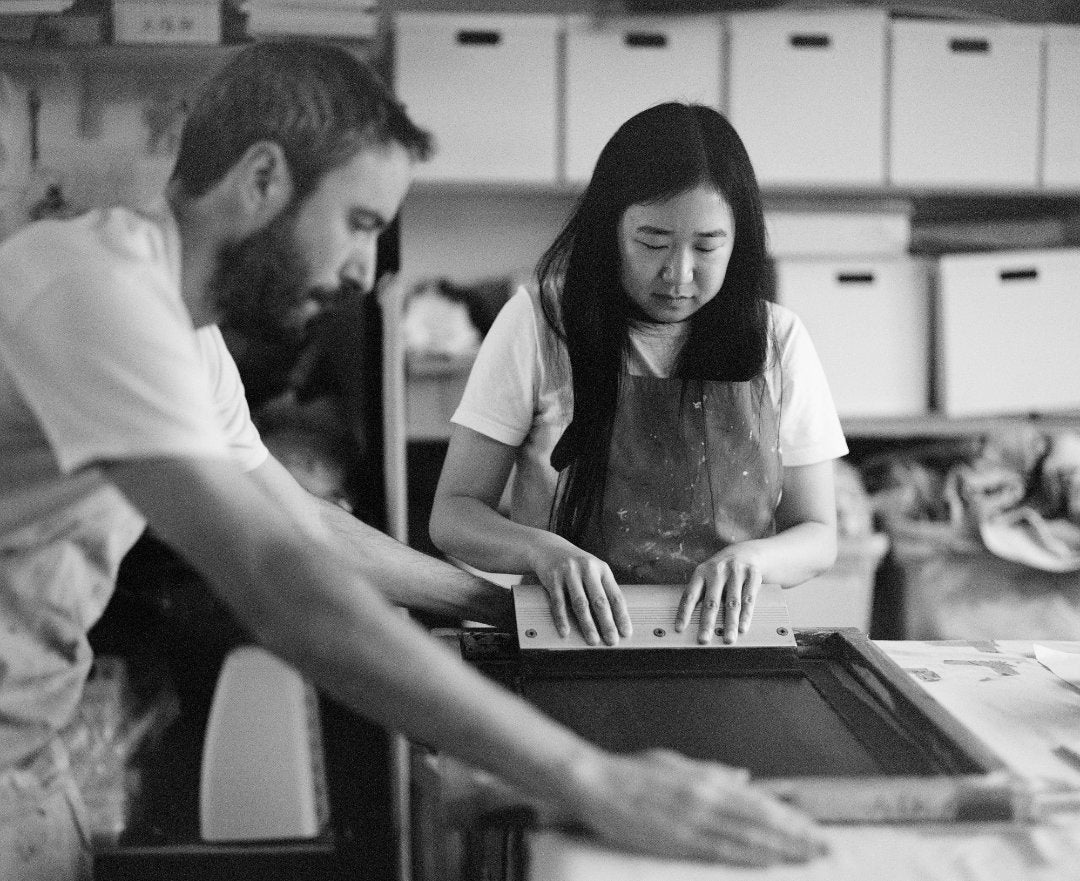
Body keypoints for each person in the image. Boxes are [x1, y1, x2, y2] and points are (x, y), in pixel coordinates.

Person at [0, 43, 829, 880]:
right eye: (361, 225)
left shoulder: (190, 338)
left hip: (28, 760)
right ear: (261, 181)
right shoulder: (93, 293)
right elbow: (280, 580)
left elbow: (304, 523)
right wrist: (595, 778)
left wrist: (504, 612)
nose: (365, 270)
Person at [430, 102, 848, 648]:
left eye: (707, 247)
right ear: (610, 231)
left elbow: (818, 535)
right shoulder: (538, 323)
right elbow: (454, 514)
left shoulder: (778, 340)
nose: (679, 274)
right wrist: (541, 550)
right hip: (569, 640)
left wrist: (757, 557)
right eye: (652, 243)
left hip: (726, 644)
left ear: (738, 241)